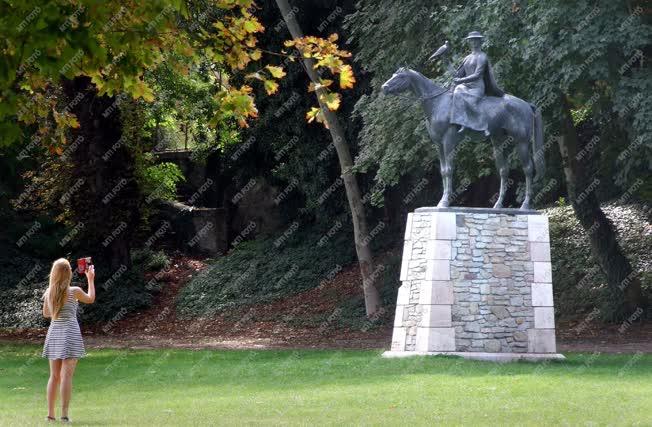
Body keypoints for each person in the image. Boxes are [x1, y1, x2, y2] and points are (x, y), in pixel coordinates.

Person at [41, 258, 95, 423]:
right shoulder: (75, 291)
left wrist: (58, 307)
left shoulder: (49, 292)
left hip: (54, 332)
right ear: (68, 274)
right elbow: (91, 298)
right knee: (66, 377)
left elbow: (46, 314)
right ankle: (64, 415)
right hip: (70, 333)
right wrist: (90, 279)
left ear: (54, 273)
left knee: (54, 376)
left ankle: (50, 415)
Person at [450, 31, 504, 136]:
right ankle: (462, 122)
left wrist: (460, 81)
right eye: (471, 40)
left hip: (477, 88)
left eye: (476, 40)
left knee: (469, 100)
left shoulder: (482, 56)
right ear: (469, 42)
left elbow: (477, 75)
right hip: (466, 86)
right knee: (457, 91)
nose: (474, 42)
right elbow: (457, 75)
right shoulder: (467, 58)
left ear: (480, 41)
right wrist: (445, 62)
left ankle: (484, 124)